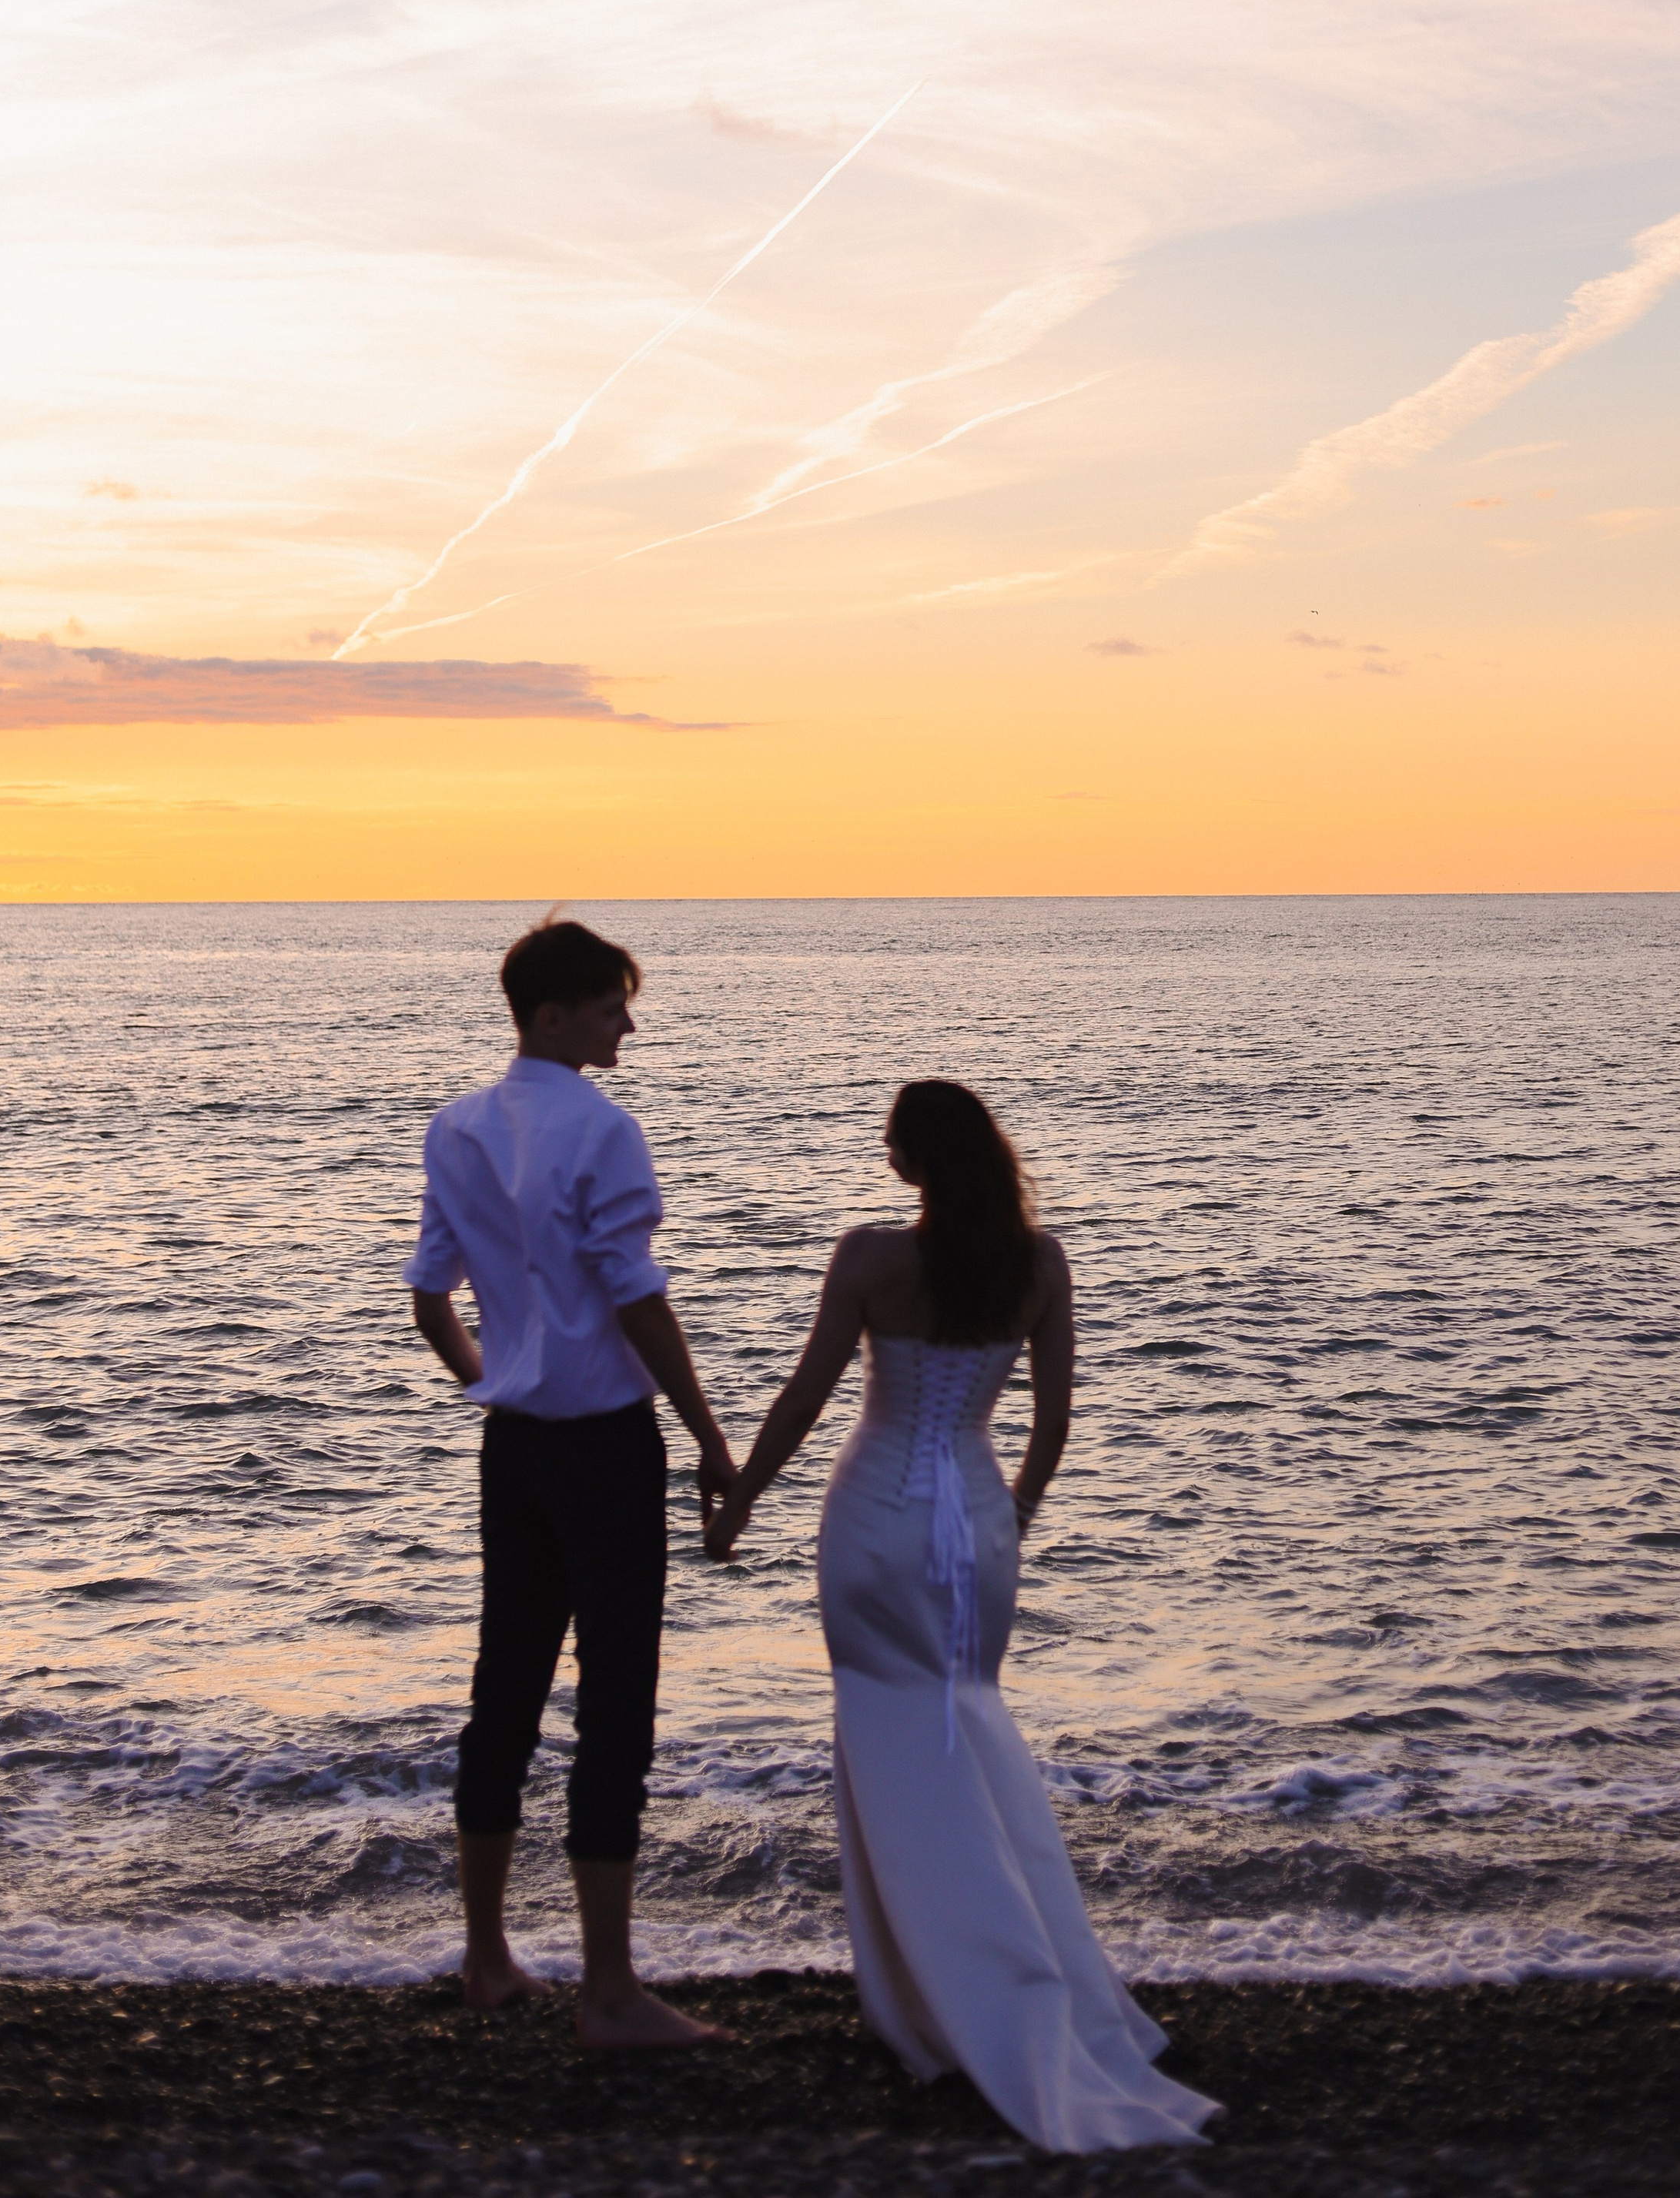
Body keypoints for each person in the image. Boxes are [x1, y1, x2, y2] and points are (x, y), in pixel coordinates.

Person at [704, 1079, 1220, 2152]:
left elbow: (805, 1398)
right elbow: (1054, 1422)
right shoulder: (1040, 1264)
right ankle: (1010, 1981)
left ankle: (944, 2002)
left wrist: (744, 1494)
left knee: (894, 1748)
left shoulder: (868, 1258)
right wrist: (1009, 1516)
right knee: (967, 1733)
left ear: (907, 1163)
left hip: (871, 1524)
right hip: (975, 1527)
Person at [405, 915, 735, 2046]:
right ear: (553, 1015)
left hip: (516, 1448)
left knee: (506, 1687)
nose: (627, 1025)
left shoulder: (454, 1127)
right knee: (615, 1703)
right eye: (610, 1007)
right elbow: (636, 1294)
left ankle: (488, 1958)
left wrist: (490, 1381)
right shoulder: (604, 1129)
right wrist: (708, 1433)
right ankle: (607, 1989)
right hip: (601, 1441)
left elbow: (429, 1297)